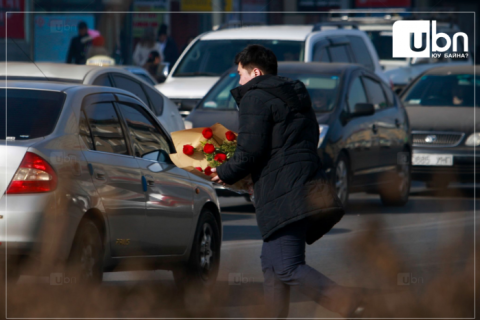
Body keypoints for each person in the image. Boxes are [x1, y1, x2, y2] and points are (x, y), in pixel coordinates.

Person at [211, 45, 366, 319]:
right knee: (272, 265)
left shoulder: (255, 97)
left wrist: (224, 172)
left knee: (287, 267)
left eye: (240, 74)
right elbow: (299, 140)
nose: (239, 80)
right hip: (301, 184)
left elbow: (251, 150)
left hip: (284, 190)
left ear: (255, 72)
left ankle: (348, 302)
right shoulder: (293, 95)